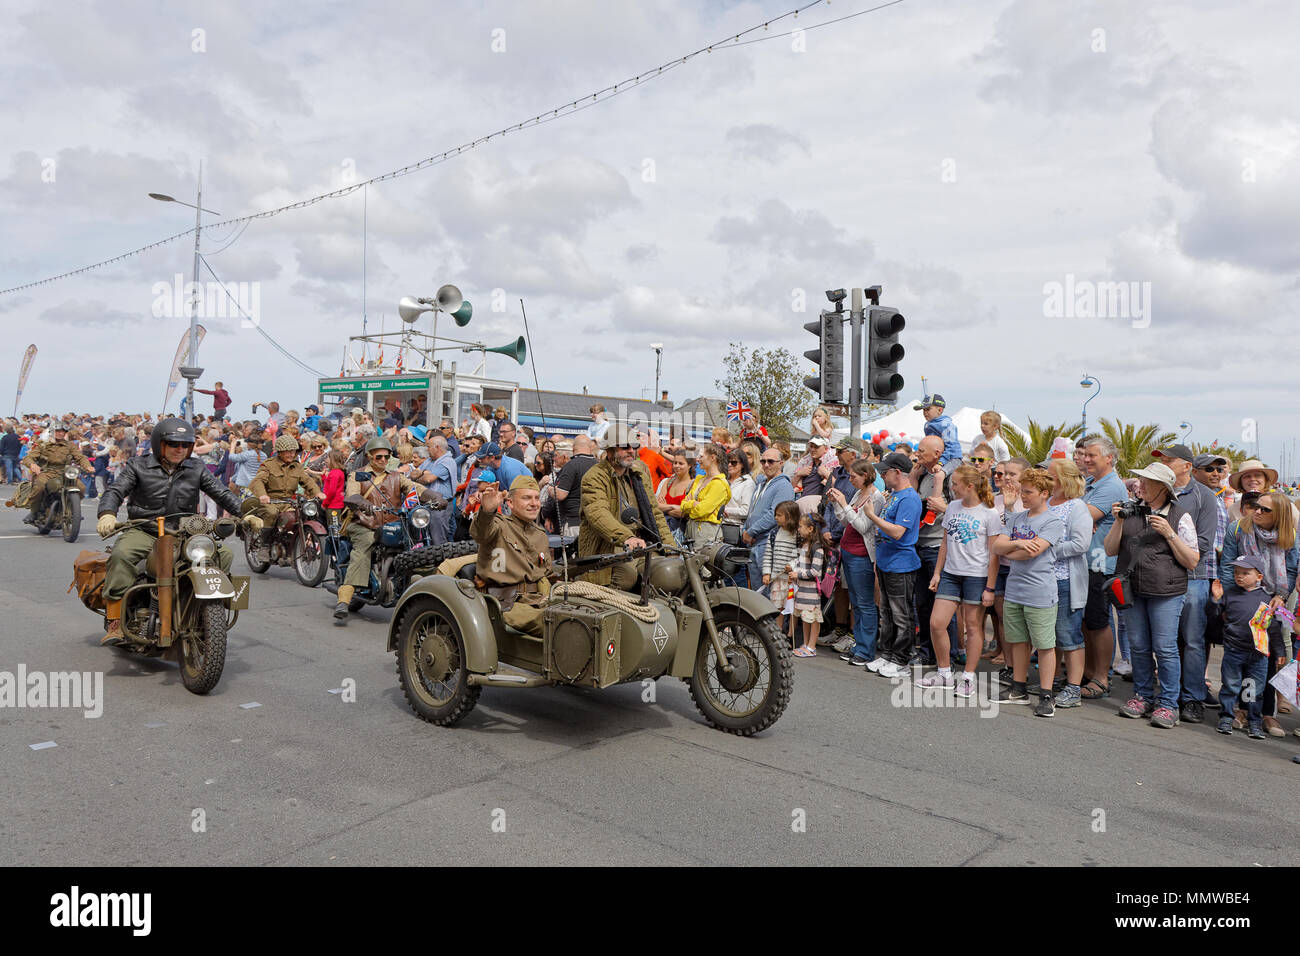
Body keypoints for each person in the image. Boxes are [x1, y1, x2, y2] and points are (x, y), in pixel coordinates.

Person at [95, 418, 260, 645]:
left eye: (185, 445)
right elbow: (115, 490)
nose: (179, 449)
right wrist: (107, 513)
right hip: (145, 530)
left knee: (224, 554)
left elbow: (221, 493)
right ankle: (115, 619)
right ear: (159, 444)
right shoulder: (138, 466)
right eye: (173, 444)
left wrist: (245, 514)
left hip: (184, 533)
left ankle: (205, 609)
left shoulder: (197, 468)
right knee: (122, 554)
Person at [1106, 462, 1200, 729]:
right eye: (1140, 481)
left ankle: (1169, 703)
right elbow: (1111, 550)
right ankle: (1143, 696)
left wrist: (1169, 534)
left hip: (1166, 592)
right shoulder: (1131, 512)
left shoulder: (1180, 516)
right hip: (1132, 590)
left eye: (1147, 481)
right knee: (1138, 645)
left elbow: (1192, 560)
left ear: (1163, 488)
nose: (1140, 485)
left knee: (1165, 647)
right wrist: (1117, 522)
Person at [336, 437, 446, 623]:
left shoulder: (396, 476)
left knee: (416, 547)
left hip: (393, 525)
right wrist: (362, 503)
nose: (383, 460)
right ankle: (344, 600)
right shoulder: (358, 475)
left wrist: (436, 497)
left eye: (387, 457)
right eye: (379, 456)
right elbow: (351, 495)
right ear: (370, 456)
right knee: (363, 550)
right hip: (364, 523)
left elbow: (416, 488)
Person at [1150, 443, 1221, 724]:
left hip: (1193, 578)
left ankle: (1192, 698)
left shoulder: (1204, 496)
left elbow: (1203, 543)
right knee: (1165, 640)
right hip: (1161, 577)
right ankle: (1168, 693)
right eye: (1161, 459)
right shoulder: (1156, 490)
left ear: (1187, 466)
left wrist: (1168, 550)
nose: (1164, 462)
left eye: (1169, 459)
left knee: (1192, 640)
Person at [1218, 490, 1298, 736]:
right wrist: (1233, 602)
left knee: (1272, 652)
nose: (1257, 512)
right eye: (1255, 506)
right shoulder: (1237, 528)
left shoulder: (1290, 534)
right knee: (1243, 650)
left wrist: (1280, 597)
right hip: (1244, 593)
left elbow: (1292, 567)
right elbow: (1228, 566)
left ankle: (1266, 713)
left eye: (1265, 509)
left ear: (1280, 515)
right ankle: (1240, 709)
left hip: (1276, 596)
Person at [918, 465, 1000, 696]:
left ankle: (968, 677)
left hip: (977, 575)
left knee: (973, 627)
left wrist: (990, 588)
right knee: (937, 623)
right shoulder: (953, 507)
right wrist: (937, 572)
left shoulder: (989, 512)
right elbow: (945, 542)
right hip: (951, 574)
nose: (952, 488)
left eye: (955, 484)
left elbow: (994, 553)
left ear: (970, 486)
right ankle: (944, 673)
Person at [991, 468, 1065, 715]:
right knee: (1019, 642)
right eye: (1022, 491)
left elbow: (1032, 551)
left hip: (1039, 593)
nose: (1024, 496)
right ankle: (1018, 688)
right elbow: (997, 546)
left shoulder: (1052, 521)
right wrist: (1017, 543)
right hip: (1015, 591)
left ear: (1044, 493)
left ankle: (1046, 695)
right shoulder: (1017, 518)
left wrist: (1011, 549)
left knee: (1044, 646)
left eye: (1029, 492)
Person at [578, 426, 673, 590]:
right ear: (610, 450)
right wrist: (627, 538)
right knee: (626, 576)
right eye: (625, 447)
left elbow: (654, 512)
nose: (631, 451)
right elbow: (598, 514)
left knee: (667, 572)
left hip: (642, 543)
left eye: (634, 447)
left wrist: (671, 548)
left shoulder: (639, 472)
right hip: (609, 545)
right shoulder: (594, 477)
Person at [863, 452, 924, 679]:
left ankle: (901, 660)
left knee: (901, 614)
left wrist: (872, 516)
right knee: (887, 612)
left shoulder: (909, 498)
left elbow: (898, 532)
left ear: (897, 473)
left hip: (901, 564)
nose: (882, 475)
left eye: (885, 472)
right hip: (887, 562)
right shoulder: (895, 495)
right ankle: (888, 654)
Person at [471, 475, 553, 637]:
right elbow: (480, 533)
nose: (534, 504)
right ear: (510, 503)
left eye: (537, 498)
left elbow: (546, 572)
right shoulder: (499, 525)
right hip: (504, 603)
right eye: (526, 498)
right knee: (555, 621)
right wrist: (487, 511)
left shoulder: (540, 534)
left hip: (535, 600)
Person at [1079, 436, 1129, 700]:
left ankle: (1101, 676)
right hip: (1086, 562)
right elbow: (1077, 515)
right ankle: (1089, 671)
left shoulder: (1111, 486)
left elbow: (1079, 517)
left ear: (1109, 458)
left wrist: (1080, 514)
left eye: (1092, 455)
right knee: (1088, 621)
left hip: (1101, 564)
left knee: (1099, 622)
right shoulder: (1091, 483)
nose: (1086, 459)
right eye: (1085, 455)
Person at [1044, 459, 1095, 709]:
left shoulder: (1077, 507)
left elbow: (1081, 544)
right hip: (1042, 580)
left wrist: (1046, 549)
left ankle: (1073, 688)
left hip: (1065, 580)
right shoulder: (1045, 503)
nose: (1046, 480)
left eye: (1051, 477)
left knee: (1068, 635)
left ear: (1064, 480)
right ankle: (1052, 679)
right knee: (1048, 635)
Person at [826, 459, 884, 666]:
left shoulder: (876, 498)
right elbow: (845, 521)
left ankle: (866, 650)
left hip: (862, 555)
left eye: (853, 476)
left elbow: (861, 526)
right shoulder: (859, 494)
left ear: (866, 476)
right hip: (849, 552)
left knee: (865, 603)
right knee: (856, 603)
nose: (850, 480)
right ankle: (859, 645)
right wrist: (837, 503)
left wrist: (843, 503)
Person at [1216, 556, 1274, 739]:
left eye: (1245, 573)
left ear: (1259, 576)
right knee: (1231, 686)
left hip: (1257, 654)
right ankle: (1226, 716)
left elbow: (1272, 627)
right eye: (1236, 573)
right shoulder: (1230, 594)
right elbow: (1215, 615)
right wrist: (1215, 600)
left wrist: (1278, 651)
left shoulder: (1266, 598)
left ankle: (1254, 720)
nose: (1239, 576)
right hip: (1234, 650)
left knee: (1253, 690)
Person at [910, 435, 956, 665]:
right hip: (920, 544)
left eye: (921, 450)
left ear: (937, 453)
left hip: (939, 546)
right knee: (923, 604)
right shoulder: (924, 474)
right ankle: (927, 653)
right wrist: (913, 475)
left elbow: (961, 512)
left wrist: (945, 507)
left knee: (944, 605)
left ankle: (951, 654)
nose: (917, 454)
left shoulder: (948, 476)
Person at [240, 436, 325, 559]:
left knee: (301, 515)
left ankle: (293, 543)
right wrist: (263, 495)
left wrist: (318, 493)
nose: (292, 454)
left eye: (293, 451)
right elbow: (257, 481)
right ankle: (264, 545)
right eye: (288, 451)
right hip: (270, 501)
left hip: (288, 502)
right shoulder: (269, 465)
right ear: (279, 452)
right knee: (271, 513)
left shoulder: (297, 466)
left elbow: (308, 481)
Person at [741, 447, 796, 590]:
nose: (766, 465)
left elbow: (775, 515)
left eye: (771, 461)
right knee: (757, 590)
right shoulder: (761, 483)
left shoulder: (783, 485)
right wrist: (746, 530)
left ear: (781, 463)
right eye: (763, 461)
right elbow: (752, 512)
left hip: (768, 544)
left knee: (767, 592)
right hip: (755, 542)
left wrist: (751, 531)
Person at [22, 422, 93, 523]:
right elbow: (28, 457)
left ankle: (72, 509)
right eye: (58, 431)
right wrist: (32, 465)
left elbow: (80, 457)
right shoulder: (42, 444)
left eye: (63, 431)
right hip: (46, 472)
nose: (61, 433)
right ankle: (34, 512)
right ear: (52, 432)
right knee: (39, 487)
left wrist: (88, 466)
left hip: (64, 473)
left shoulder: (70, 445)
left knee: (81, 488)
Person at [673, 443, 731, 548]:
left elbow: (701, 510)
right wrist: (693, 504)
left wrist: (690, 504)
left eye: (701, 456)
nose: (697, 459)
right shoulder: (699, 479)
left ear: (712, 458)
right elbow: (683, 505)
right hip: (690, 530)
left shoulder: (720, 483)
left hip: (706, 534)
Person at [789, 512, 827, 658]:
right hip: (802, 589)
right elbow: (797, 562)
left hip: (811, 590)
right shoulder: (803, 545)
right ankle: (805, 643)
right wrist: (792, 570)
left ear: (810, 529)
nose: (798, 529)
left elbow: (815, 572)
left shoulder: (817, 548)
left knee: (813, 618)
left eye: (800, 526)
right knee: (805, 618)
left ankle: (812, 646)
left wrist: (797, 574)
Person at [763, 501, 802, 641]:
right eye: (776, 515)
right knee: (777, 607)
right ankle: (777, 634)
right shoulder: (774, 533)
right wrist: (767, 572)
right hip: (777, 579)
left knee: (792, 608)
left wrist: (792, 565)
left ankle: (790, 635)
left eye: (779, 515)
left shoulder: (798, 534)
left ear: (790, 516)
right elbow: (768, 554)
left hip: (792, 579)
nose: (776, 518)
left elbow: (801, 554)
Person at [554, 434, 598, 539]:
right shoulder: (599, 465)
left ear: (573, 448)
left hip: (573, 523)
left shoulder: (571, 465)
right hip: (595, 522)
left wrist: (550, 488)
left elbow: (560, 495)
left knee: (573, 555)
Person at [913, 394, 961, 471]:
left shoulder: (946, 425)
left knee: (939, 476)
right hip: (936, 459)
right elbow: (928, 447)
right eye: (923, 410)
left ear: (940, 410)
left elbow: (951, 447)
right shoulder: (927, 425)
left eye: (928, 409)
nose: (925, 412)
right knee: (914, 473)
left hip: (952, 458)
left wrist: (940, 463)